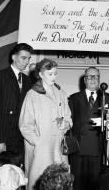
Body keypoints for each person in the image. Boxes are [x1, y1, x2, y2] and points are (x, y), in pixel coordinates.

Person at [19, 59, 72, 190]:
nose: (54, 77)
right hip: (40, 150)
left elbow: (69, 118)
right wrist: (38, 142)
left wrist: (64, 124)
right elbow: (25, 126)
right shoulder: (32, 95)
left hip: (58, 148)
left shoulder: (61, 92)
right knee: (38, 182)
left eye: (55, 73)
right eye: (50, 74)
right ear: (41, 74)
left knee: (60, 183)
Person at [0, 43, 33, 168]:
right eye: (23, 58)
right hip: (0, 138)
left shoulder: (28, 81)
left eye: (28, 58)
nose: (26, 62)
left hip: (19, 140)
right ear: (13, 57)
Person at [68, 66, 109, 190]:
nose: (93, 79)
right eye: (89, 76)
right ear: (84, 80)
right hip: (78, 150)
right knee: (77, 185)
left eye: (96, 76)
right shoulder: (73, 98)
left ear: (99, 79)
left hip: (99, 150)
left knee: (96, 185)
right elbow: (69, 125)